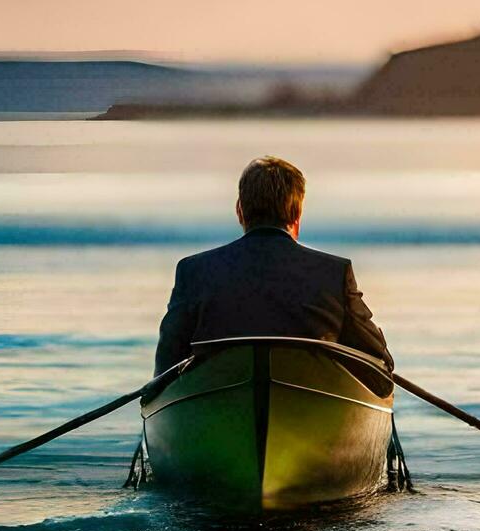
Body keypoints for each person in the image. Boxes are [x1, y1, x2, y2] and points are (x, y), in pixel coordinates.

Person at [154, 156, 392, 374]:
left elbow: (164, 372)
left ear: (240, 211)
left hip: (215, 395)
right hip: (309, 395)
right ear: (297, 213)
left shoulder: (193, 271)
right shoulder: (334, 273)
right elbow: (380, 364)